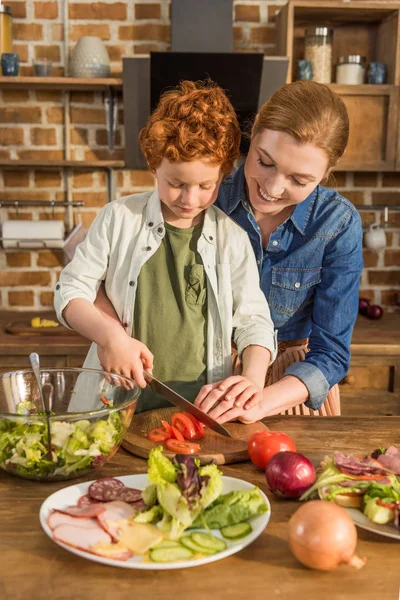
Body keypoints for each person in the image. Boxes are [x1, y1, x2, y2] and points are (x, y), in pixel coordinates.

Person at [54, 80, 276, 414]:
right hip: (115, 405)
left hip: (201, 409)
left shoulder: (232, 239)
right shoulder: (118, 218)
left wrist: (253, 378)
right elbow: (70, 291)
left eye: (206, 185)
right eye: (175, 183)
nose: (189, 199)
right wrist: (111, 338)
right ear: (154, 165)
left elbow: (254, 320)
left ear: (224, 174)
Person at [195, 80, 363, 423]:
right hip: (205, 374)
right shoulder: (204, 197)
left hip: (290, 386)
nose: (272, 188)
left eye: (299, 180)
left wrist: (259, 401)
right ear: (254, 130)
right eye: (264, 161)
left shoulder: (338, 223)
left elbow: (330, 355)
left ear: (325, 174)